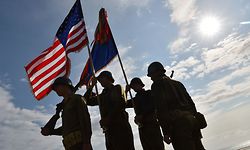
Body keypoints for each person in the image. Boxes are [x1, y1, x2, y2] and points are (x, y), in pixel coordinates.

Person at [147, 62, 205, 150]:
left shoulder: (157, 85)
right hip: (192, 121)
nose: (151, 78)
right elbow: (191, 104)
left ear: (156, 73)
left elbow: (162, 109)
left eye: (151, 75)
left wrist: (165, 132)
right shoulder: (178, 83)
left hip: (179, 125)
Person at [84, 71, 135, 150]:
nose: (100, 81)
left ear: (109, 78)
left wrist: (108, 118)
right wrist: (91, 87)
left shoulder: (117, 88)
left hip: (120, 127)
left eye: (102, 78)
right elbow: (86, 101)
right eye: (99, 79)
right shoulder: (102, 96)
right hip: (109, 130)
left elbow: (120, 104)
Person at [41, 77, 93, 150]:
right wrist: (51, 131)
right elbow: (66, 128)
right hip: (69, 146)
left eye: (57, 87)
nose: (55, 90)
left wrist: (87, 142)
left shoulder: (77, 98)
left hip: (80, 144)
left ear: (65, 85)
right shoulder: (64, 106)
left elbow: (85, 120)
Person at [125, 77, 165, 150]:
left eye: (135, 85)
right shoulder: (134, 100)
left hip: (152, 124)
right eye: (133, 86)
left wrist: (142, 115)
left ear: (141, 85)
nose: (134, 87)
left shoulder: (149, 93)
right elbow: (124, 104)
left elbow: (152, 106)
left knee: (157, 146)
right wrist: (126, 92)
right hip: (142, 127)